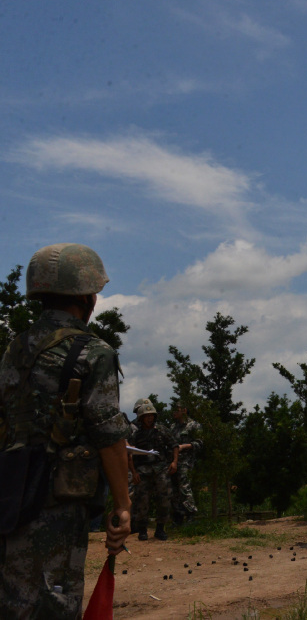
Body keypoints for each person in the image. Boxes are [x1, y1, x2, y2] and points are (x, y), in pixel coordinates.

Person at [0, 243, 131, 619]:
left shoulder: (15, 349)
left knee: (12, 599)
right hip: (56, 501)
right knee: (53, 601)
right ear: (87, 296)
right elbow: (108, 433)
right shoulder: (93, 352)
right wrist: (123, 504)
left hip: (10, 492)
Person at [129, 400, 178, 541]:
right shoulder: (136, 434)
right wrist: (133, 472)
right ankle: (142, 530)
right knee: (142, 501)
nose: (149, 418)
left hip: (161, 469)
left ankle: (160, 529)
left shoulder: (162, 430)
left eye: (151, 415)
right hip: (142, 471)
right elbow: (129, 454)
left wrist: (174, 462)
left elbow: (174, 445)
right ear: (141, 418)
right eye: (146, 416)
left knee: (164, 499)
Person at [170, 403, 203, 524]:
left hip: (187, 462)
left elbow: (199, 443)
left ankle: (190, 514)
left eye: (176, 409)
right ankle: (178, 516)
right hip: (173, 461)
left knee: (184, 487)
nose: (174, 412)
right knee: (174, 490)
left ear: (184, 410)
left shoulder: (194, 425)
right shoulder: (173, 427)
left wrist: (184, 446)